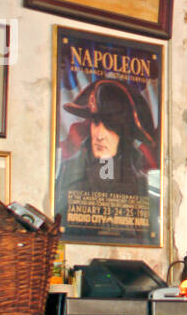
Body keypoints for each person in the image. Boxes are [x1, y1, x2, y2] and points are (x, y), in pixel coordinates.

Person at [54, 79, 159, 243]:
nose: (100, 135)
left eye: (110, 126)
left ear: (125, 134)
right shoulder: (69, 170)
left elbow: (149, 235)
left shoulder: (142, 183)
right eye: (96, 122)